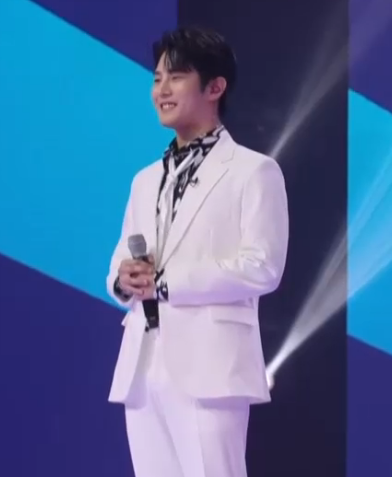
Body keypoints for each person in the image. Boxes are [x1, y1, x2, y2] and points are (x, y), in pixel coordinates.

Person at [105, 28, 289, 477]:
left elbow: (262, 266)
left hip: (211, 366)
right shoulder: (145, 179)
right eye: (156, 79)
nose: (162, 90)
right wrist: (122, 280)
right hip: (143, 364)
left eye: (176, 77)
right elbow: (120, 261)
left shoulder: (253, 171)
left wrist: (167, 283)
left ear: (215, 87)